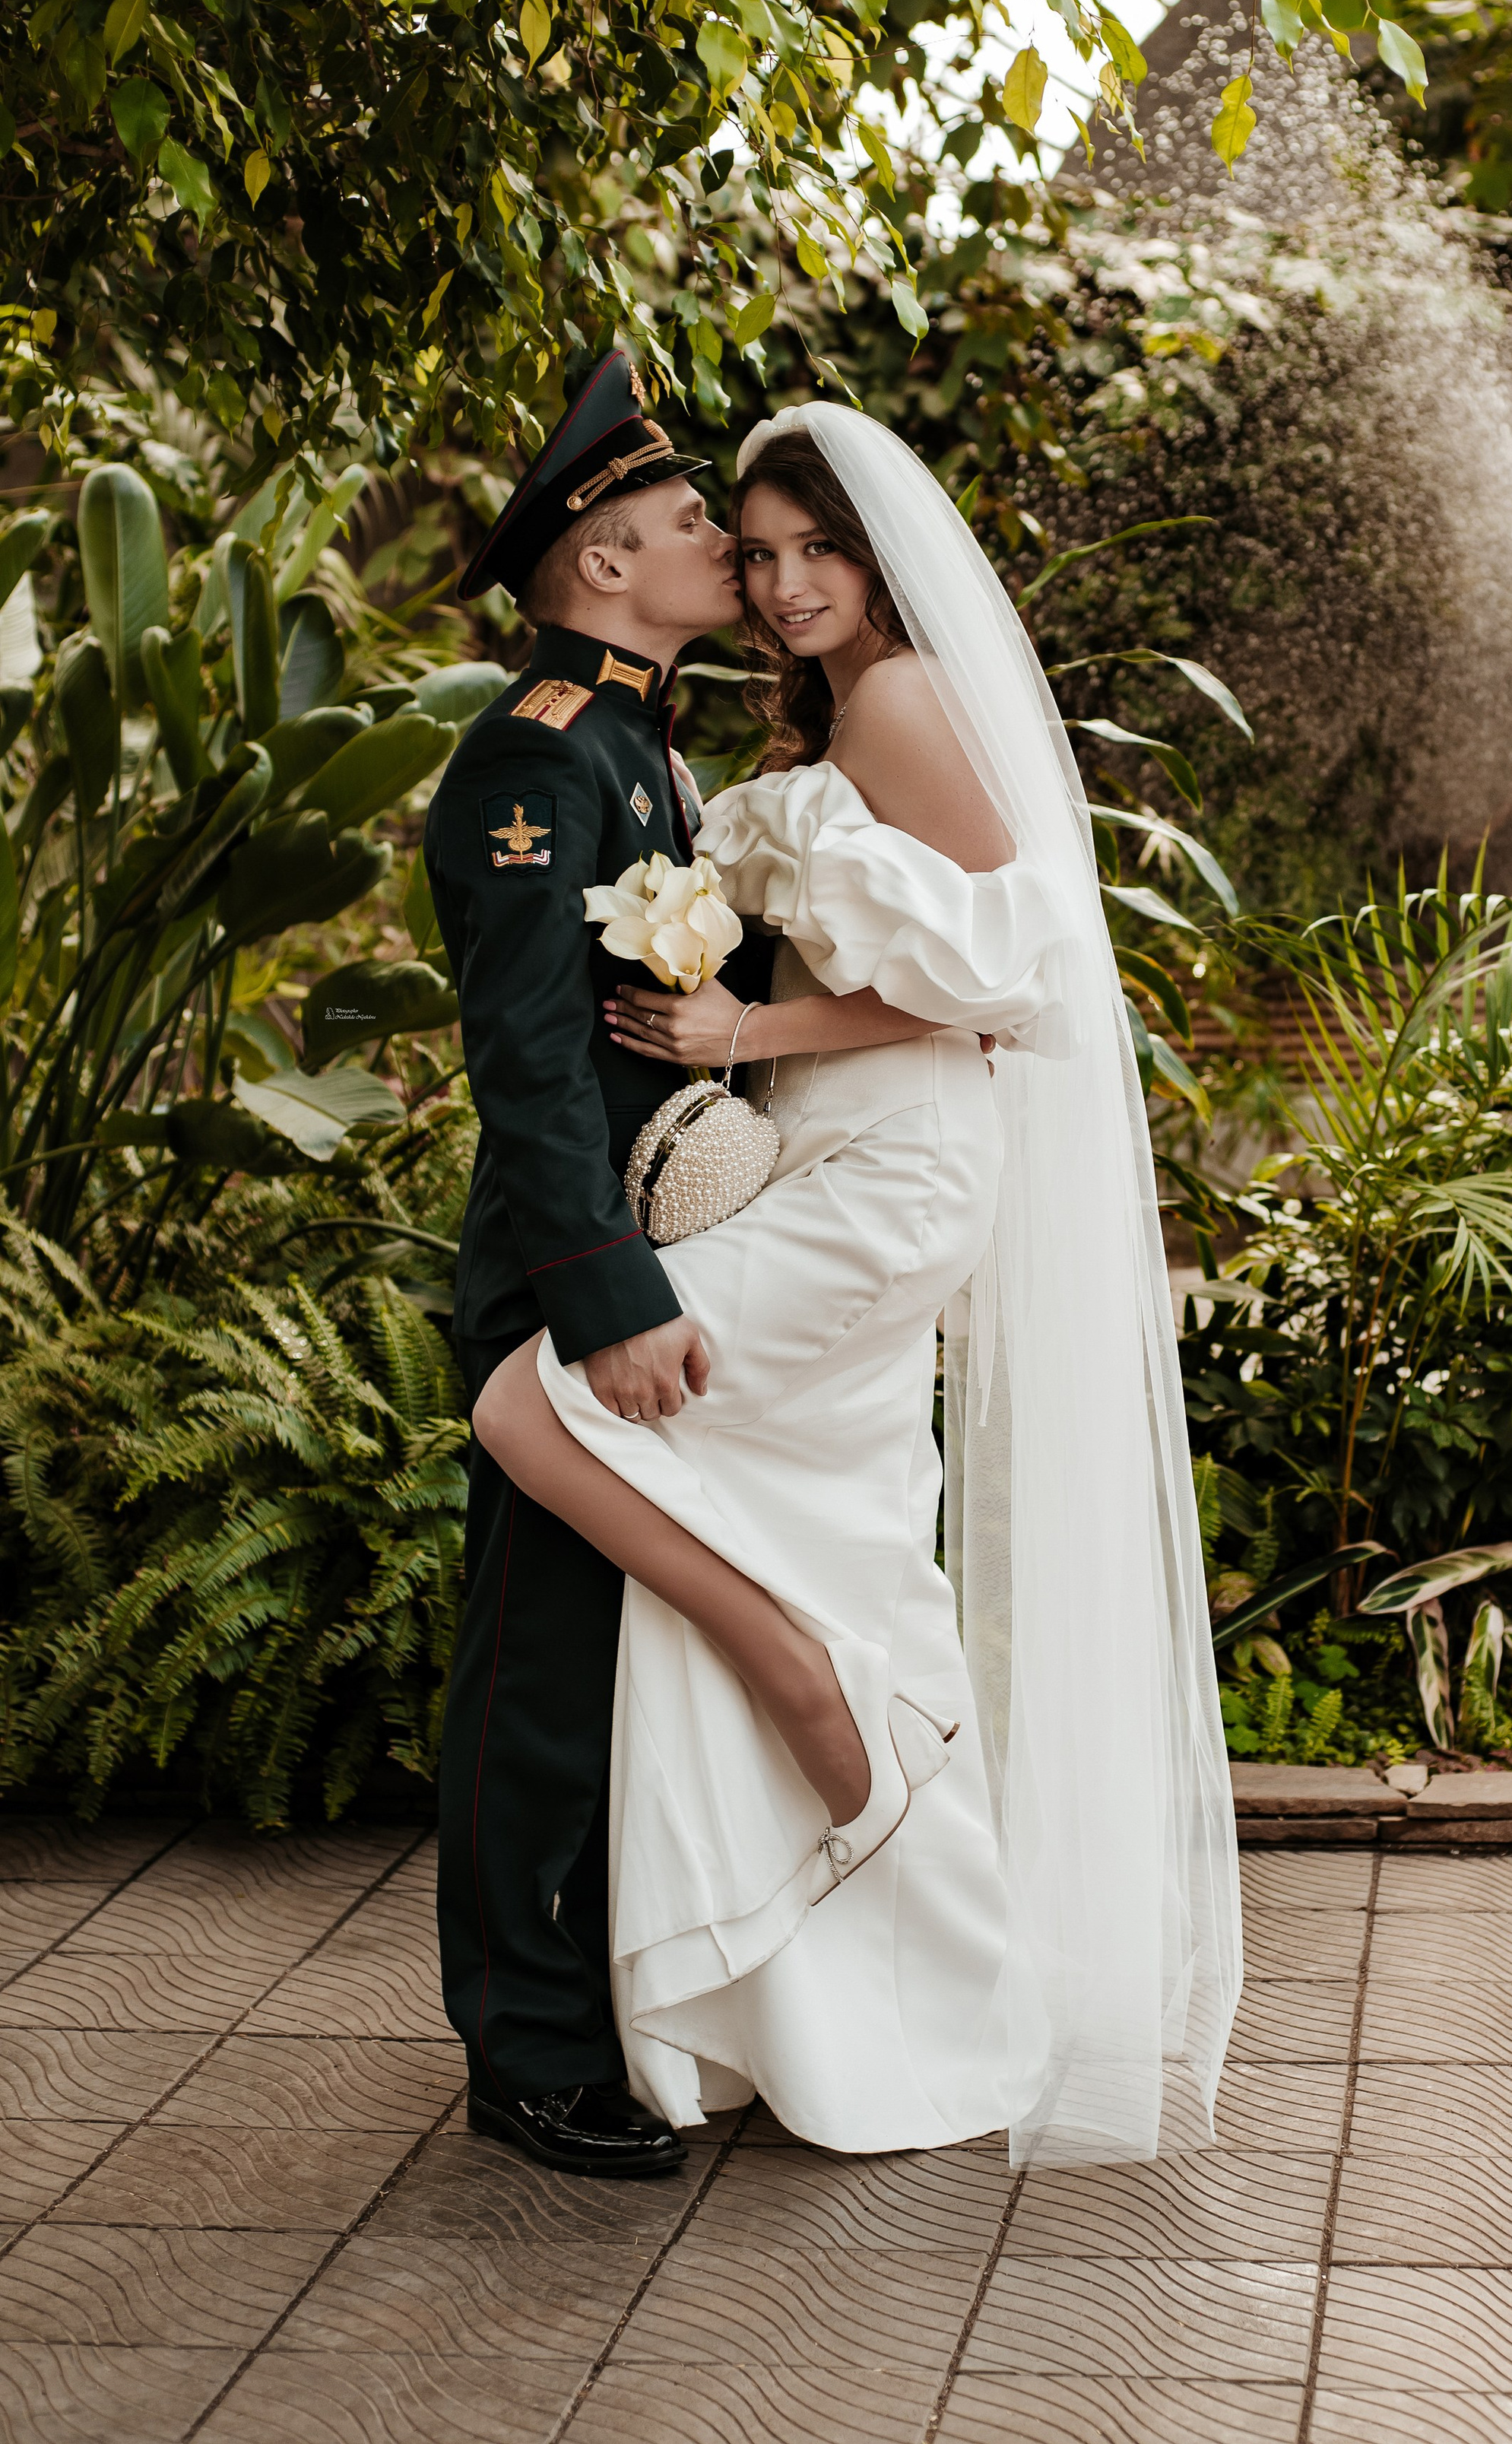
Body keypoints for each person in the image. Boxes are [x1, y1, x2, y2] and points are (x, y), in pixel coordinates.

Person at [472, 402, 1242, 2169]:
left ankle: (811, 1696)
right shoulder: (800, 720)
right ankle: (841, 1982)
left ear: (881, 561)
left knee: (538, 1401)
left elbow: (1013, 973)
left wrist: (751, 1023)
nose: (784, 581)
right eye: (756, 550)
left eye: (817, 549)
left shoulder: (893, 699)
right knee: (826, 1524)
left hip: (895, 1160)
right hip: (832, 1153)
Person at [427, 356, 943, 2178]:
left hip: (658, 1248)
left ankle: (606, 2011)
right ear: (595, 567)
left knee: (618, 1662)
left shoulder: (640, 742)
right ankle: (526, 2048)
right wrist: (604, 1290)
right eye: (678, 533)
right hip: (574, 1278)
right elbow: (530, 1054)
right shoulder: (534, 755)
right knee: (540, 1671)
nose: (721, 551)